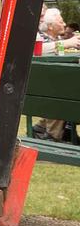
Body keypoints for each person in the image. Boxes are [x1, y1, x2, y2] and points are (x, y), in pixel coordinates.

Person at [35, 7, 76, 141]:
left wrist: (69, 44)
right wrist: (66, 43)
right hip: (47, 88)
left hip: (50, 88)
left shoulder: (55, 39)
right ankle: (54, 133)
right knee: (65, 93)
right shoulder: (41, 38)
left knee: (67, 90)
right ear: (51, 26)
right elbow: (39, 50)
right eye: (61, 21)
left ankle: (42, 126)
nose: (64, 24)